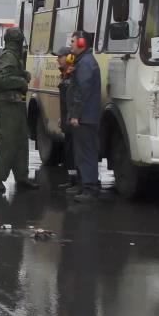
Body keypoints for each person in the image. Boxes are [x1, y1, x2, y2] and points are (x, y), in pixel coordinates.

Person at [0, 28, 38, 194]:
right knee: (8, 142)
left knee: (21, 141)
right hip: (6, 106)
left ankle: (21, 177)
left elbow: (8, 74)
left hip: (16, 105)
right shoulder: (8, 56)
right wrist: (21, 81)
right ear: (16, 42)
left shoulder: (13, 57)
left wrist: (22, 73)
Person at [65, 32, 103, 198]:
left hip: (85, 117)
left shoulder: (86, 63)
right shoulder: (82, 61)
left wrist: (75, 115)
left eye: (73, 41)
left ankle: (89, 188)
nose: (71, 45)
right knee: (80, 153)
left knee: (86, 154)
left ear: (82, 43)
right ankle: (82, 184)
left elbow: (82, 91)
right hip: (84, 116)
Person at [54, 46, 78, 189]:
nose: (57, 59)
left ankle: (77, 181)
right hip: (66, 120)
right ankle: (72, 180)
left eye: (60, 57)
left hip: (72, 121)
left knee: (75, 152)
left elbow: (74, 100)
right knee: (69, 153)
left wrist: (71, 117)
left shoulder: (73, 75)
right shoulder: (65, 75)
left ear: (69, 58)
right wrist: (61, 117)